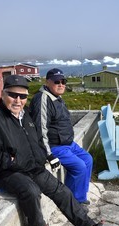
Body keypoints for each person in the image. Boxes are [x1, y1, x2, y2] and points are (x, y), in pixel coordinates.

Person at [0, 74, 118, 226]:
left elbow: (38, 140)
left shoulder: (26, 117)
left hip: (32, 167)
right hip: (7, 172)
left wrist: (45, 156)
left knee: (62, 191)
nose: (18, 100)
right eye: (12, 95)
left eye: (22, 96)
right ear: (2, 94)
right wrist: (11, 161)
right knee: (31, 192)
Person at [30, 68, 92, 204]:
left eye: (63, 81)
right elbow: (40, 130)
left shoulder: (57, 98)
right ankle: (74, 202)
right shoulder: (43, 99)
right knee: (79, 166)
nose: (61, 84)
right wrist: (49, 155)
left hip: (68, 143)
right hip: (55, 146)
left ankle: (80, 195)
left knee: (88, 159)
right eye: (57, 81)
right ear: (47, 82)